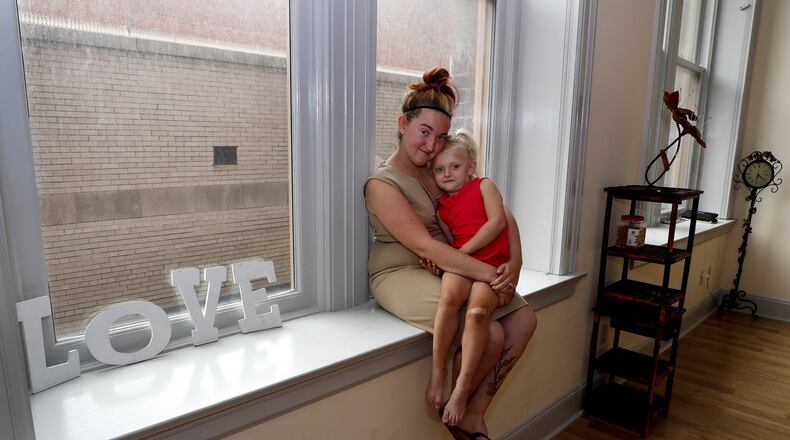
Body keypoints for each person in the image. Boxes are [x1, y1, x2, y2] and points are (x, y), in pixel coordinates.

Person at [365, 67, 538, 439]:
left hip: (455, 264)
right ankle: (455, 418)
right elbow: (426, 246)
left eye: (440, 136)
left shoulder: (440, 168)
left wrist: (514, 263)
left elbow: (499, 212)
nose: (432, 145)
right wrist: (491, 274)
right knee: (491, 333)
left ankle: (473, 414)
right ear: (403, 125)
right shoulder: (382, 183)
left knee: (524, 321)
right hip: (403, 271)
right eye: (424, 132)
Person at [426, 130, 511, 427]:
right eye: (439, 169)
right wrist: (443, 262)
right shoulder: (441, 208)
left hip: (490, 264)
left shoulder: (485, 186)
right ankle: (438, 372)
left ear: (471, 167)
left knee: (476, 314)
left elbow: (497, 223)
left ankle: (461, 389)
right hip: (463, 263)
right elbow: (451, 242)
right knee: (449, 299)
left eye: (454, 166)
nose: (447, 173)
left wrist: (462, 253)